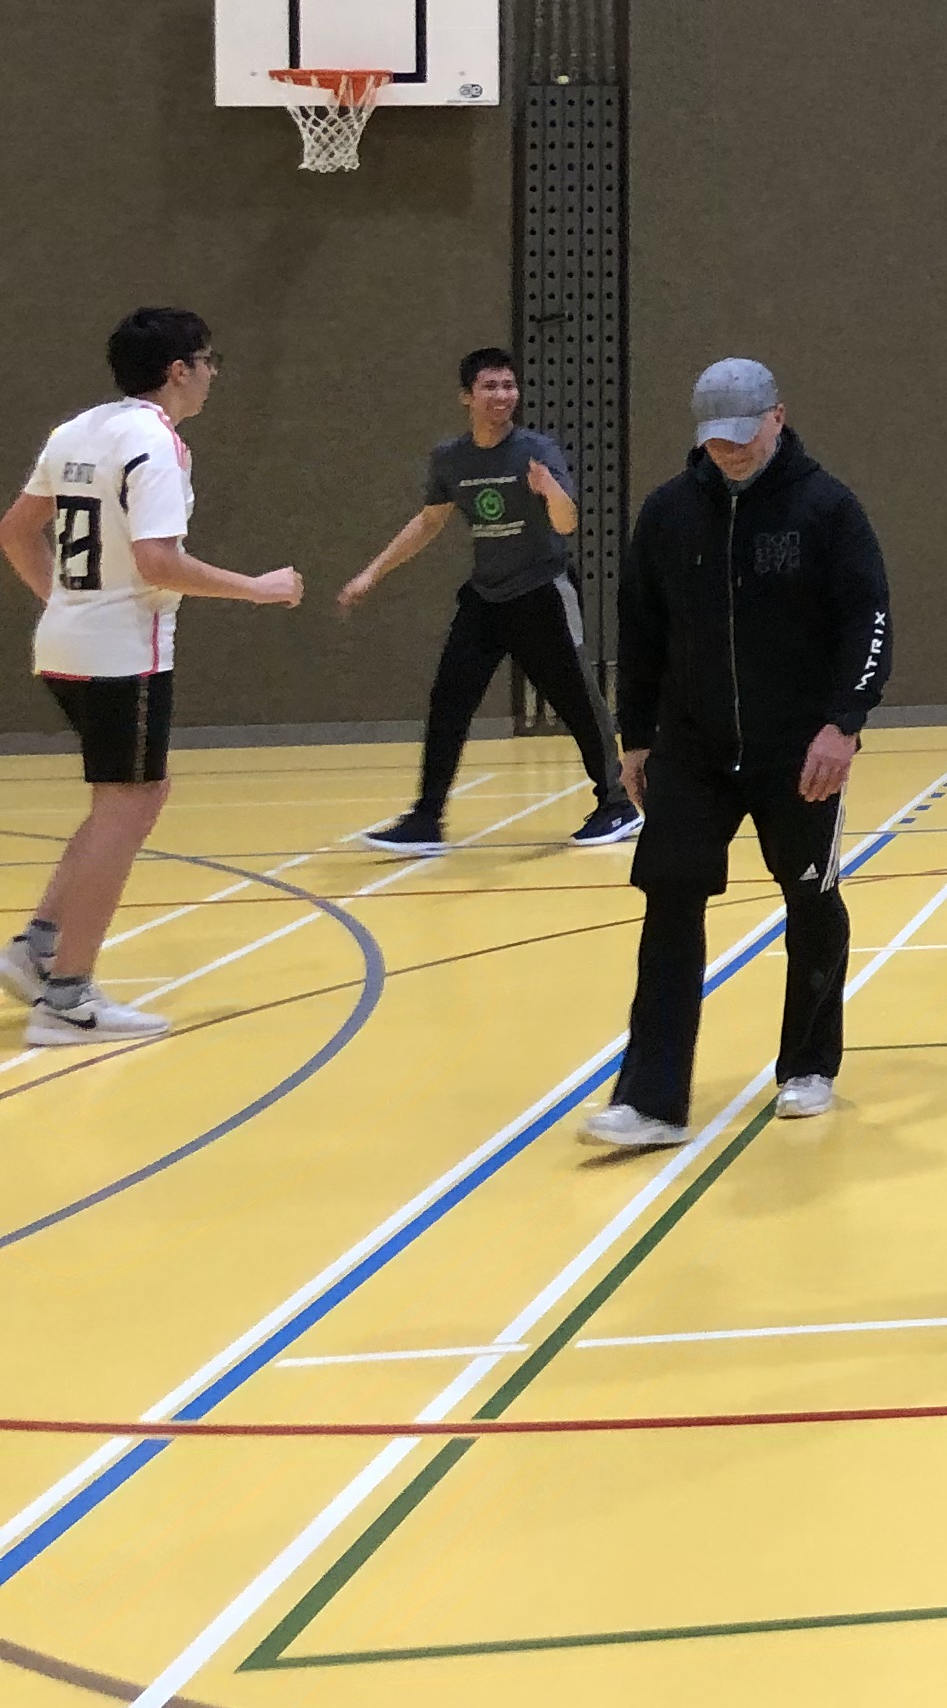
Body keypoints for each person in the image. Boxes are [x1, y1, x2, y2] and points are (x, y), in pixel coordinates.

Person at [580, 358, 889, 1151]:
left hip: (801, 749)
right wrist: (635, 739)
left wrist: (844, 723)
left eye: (745, 434)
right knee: (669, 898)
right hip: (692, 746)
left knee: (810, 898)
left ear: (777, 416)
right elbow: (640, 632)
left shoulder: (827, 508)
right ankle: (651, 1101)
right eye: (717, 439)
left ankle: (808, 1064)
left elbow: (868, 620)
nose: (731, 450)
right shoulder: (668, 514)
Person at [0, 310, 301, 1049]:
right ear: (178, 370)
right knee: (127, 807)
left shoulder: (77, 431)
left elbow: (16, 531)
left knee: (132, 798)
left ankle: (39, 947)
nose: (212, 374)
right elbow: (159, 561)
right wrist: (257, 589)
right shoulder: (155, 443)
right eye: (207, 361)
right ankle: (67, 999)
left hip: (66, 645)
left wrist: (66, 604)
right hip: (123, 653)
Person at [341, 347, 635, 853]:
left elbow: (567, 523)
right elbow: (429, 521)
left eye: (508, 385)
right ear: (467, 396)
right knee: (449, 699)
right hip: (486, 597)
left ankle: (617, 803)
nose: (502, 395)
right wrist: (373, 572)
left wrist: (549, 489)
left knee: (577, 700)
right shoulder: (451, 458)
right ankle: (426, 818)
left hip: (541, 592)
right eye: (490, 386)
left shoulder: (537, 450)